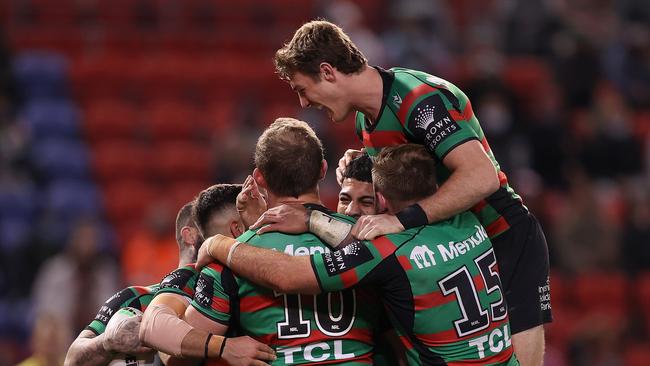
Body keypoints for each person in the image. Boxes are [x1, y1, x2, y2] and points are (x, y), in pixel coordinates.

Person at [273, 20, 550, 365]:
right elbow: (414, 176)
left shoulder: (417, 101)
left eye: (302, 88)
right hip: (449, 247)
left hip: (502, 237)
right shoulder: (365, 120)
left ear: (328, 72)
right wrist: (363, 168)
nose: (303, 102)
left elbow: (482, 177)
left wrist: (403, 221)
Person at [197, 144, 519, 365]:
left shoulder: (383, 252)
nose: (353, 212)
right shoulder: (468, 219)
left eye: (364, 203)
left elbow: (289, 275)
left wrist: (217, 245)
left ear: (381, 203)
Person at [173, 118, 384, 365]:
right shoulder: (371, 238)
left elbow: (181, 353)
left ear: (259, 178)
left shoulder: (231, 255)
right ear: (323, 170)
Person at [65, 195, 271, 366]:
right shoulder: (135, 300)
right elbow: (72, 360)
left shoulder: (246, 297)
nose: (237, 236)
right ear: (190, 235)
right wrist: (107, 341)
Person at [139, 184, 274, 365]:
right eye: (262, 213)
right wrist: (225, 347)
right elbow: (152, 326)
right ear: (238, 229)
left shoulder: (275, 263)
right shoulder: (194, 277)